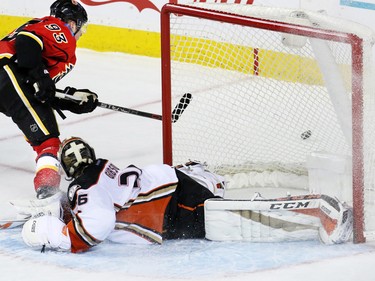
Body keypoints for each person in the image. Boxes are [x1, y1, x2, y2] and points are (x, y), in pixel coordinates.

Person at [19, 137, 353, 253]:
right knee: (219, 213)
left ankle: (322, 211)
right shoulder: (101, 172)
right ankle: (206, 177)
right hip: (171, 190)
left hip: (171, 207)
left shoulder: (84, 186)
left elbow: (96, 224)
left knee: (227, 218)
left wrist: (59, 237)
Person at [21, 136, 226, 253]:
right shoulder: (101, 167)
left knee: (217, 220)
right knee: (212, 207)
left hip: (165, 208)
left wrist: (64, 238)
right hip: (167, 179)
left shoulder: (82, 187)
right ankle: (207, 183)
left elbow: (98, 223)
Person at [0, 0, 98, 200]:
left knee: (44, 131)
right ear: (72, 23)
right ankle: (48, 194)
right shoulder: (58, 28)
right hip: (5, 73)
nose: (81, 33)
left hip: (9, 80)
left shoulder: (53, 56)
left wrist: (74, 101)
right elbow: (27, 42)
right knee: (47, 140)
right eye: (81, 26)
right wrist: (39, 76)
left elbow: (41, 91)